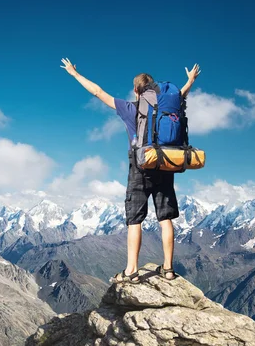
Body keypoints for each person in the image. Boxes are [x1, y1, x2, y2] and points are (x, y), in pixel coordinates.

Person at [60, 58, 201, 282]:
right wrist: (190, 81)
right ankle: (168, 269)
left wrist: (75, 75)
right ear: (153, 89)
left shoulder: (130, 108)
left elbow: (98, 92)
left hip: (140, 166)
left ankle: (131, 271)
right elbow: (181, 95)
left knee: (135, 220)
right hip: (165, 162)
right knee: (166, 219)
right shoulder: (168, 105)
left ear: (136, 90)